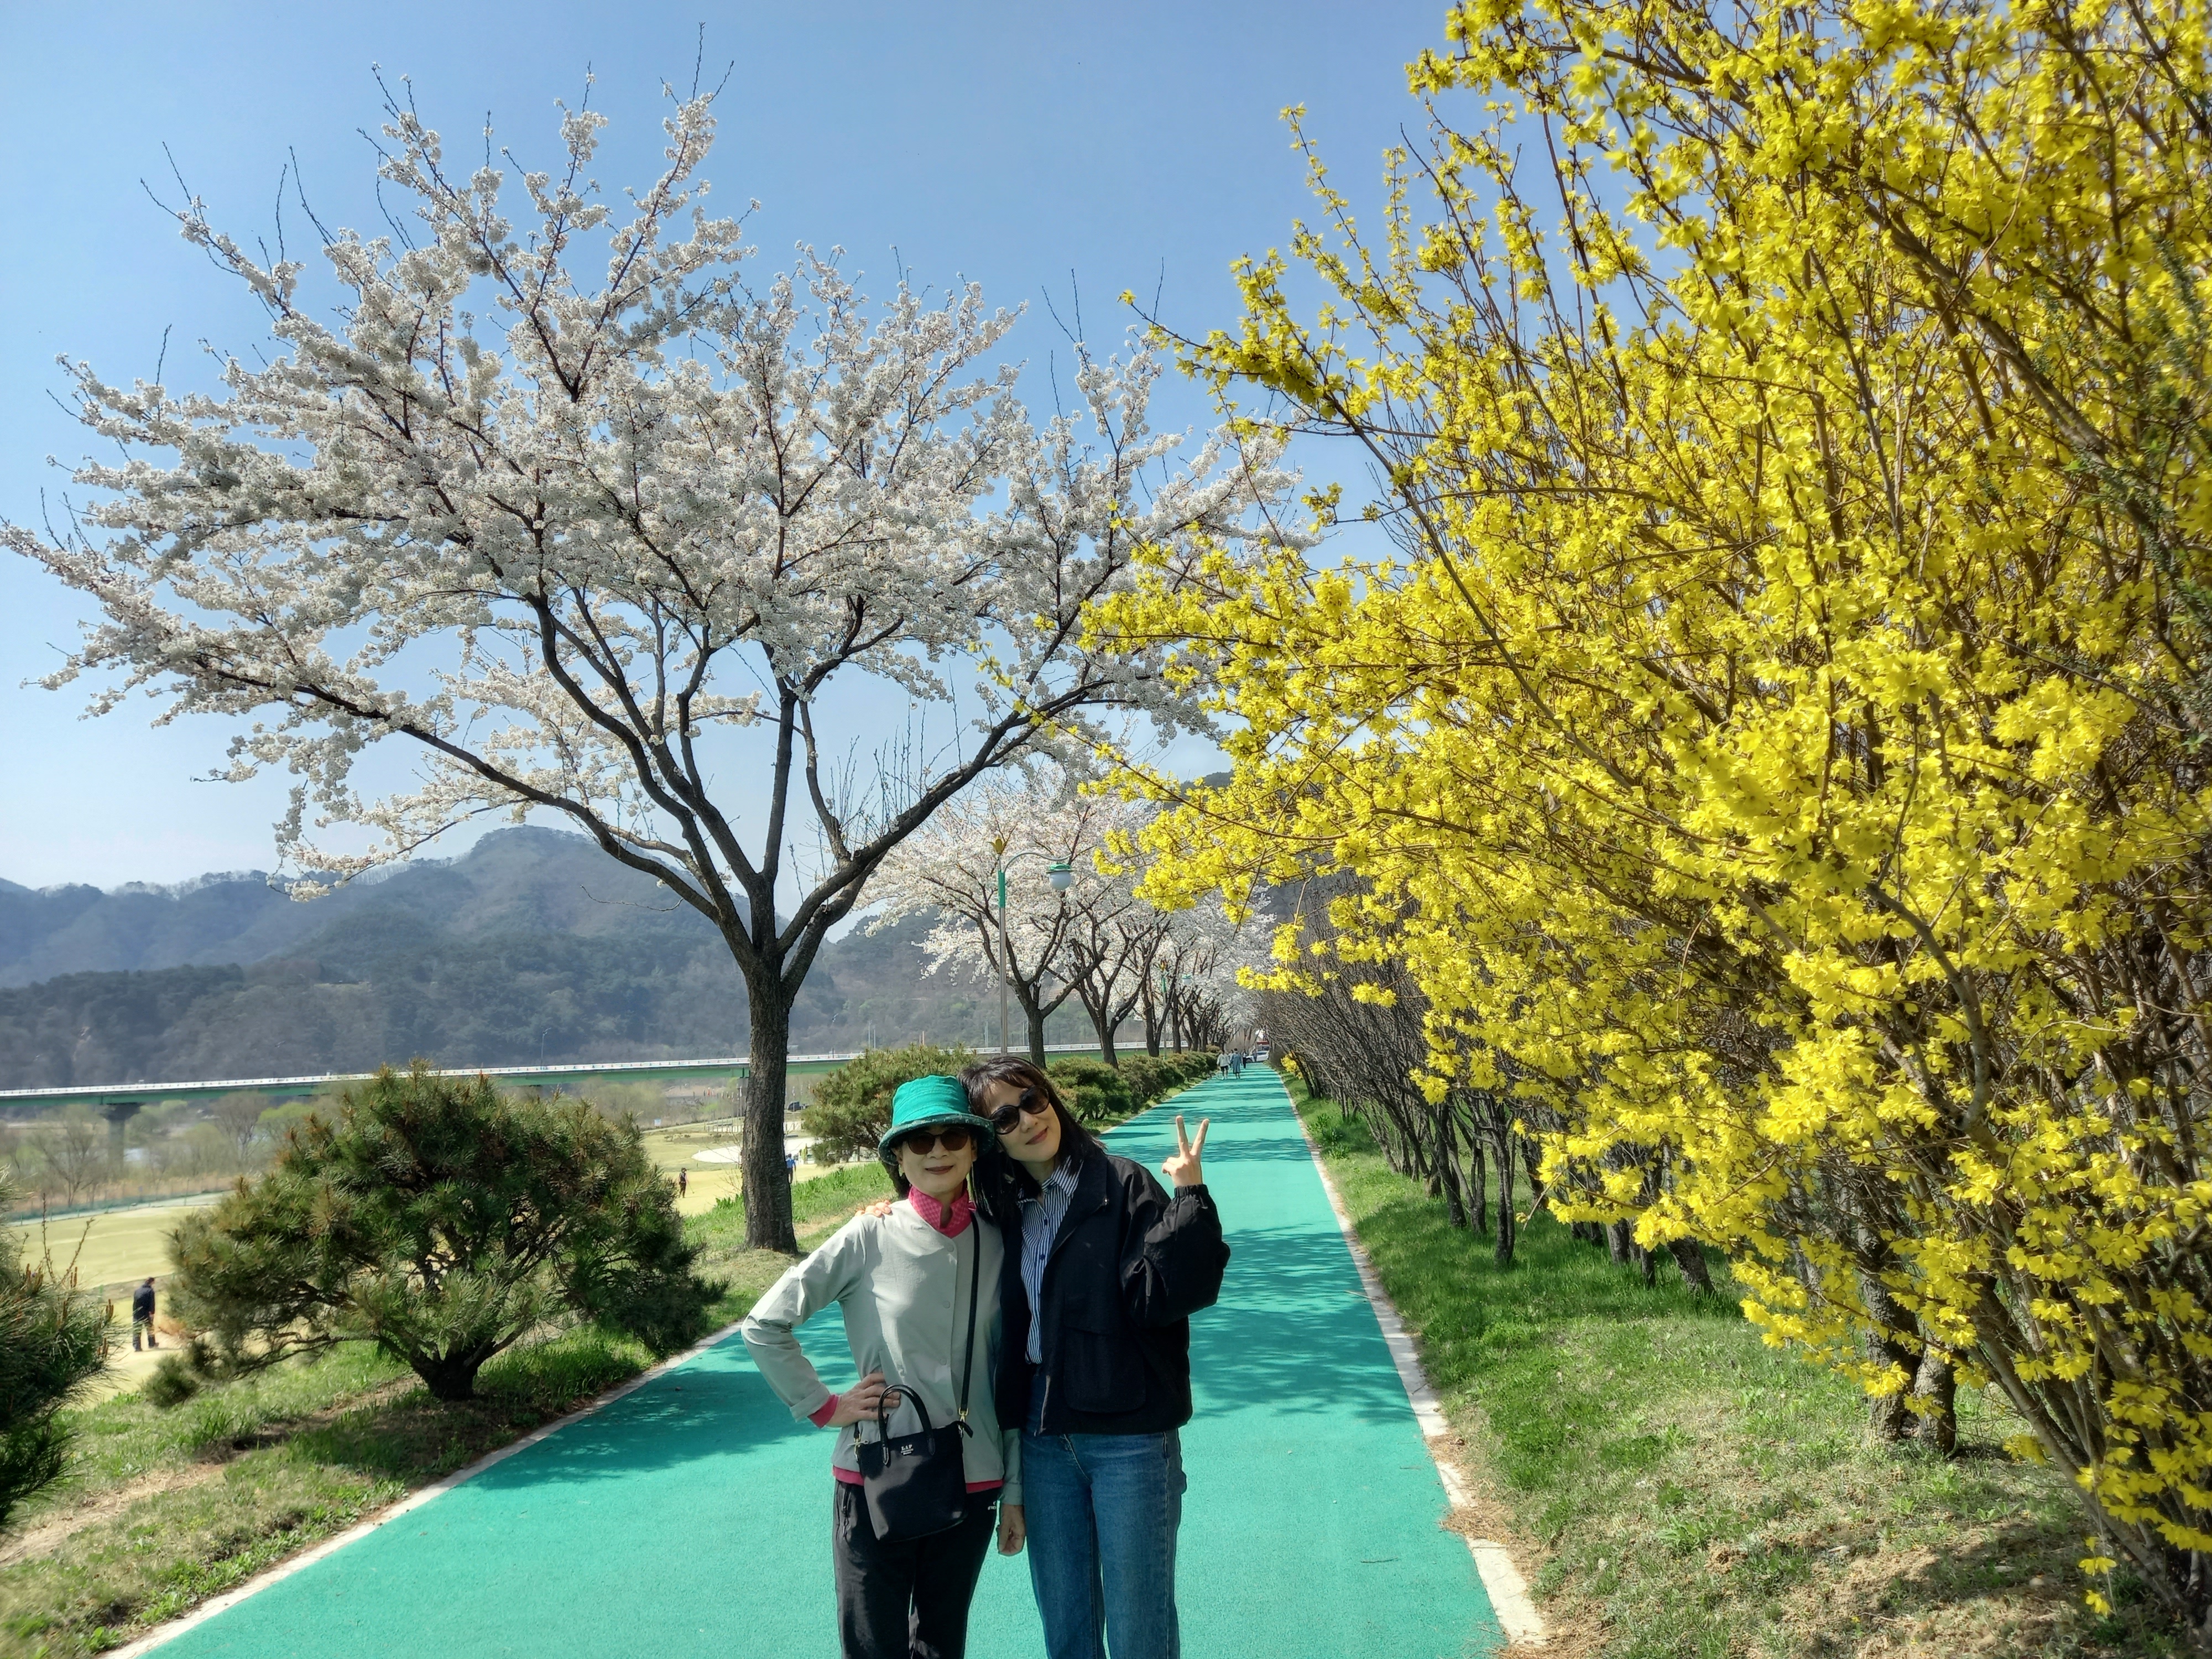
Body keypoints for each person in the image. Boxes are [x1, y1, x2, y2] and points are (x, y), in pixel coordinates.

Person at [742, 1076, 1022, 1659]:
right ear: (898, 1156)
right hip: (876, 1475)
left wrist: (1015, 1488)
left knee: (942, 1646)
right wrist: (825, 1406)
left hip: (973, 1479)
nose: (937, 1151)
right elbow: (764, 1324)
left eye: (952, 1137)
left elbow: (1013, 1373)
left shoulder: (1000, 1241)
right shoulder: (867, 1234)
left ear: (975, 1148)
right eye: (920, 1141)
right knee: (873, 1647)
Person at [964, 1056, 1230, 1659]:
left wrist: (1190, 1199)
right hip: (1043, 1435)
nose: (1028, 1120)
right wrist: (890, 1211)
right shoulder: (1005, 1211)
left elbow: (1165, 1296)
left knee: (1140, 1624)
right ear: (990, 1139)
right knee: (1066, 1621)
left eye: (1032, 1100)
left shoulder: (1122, 1183)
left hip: (1129, 1438)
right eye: (1004, 1118)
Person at [131, 1277, 157, 1351]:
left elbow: (135, 1303)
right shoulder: (150, 1291)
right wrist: (152, 1313)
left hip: (137, 1313)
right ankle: (152, 1344)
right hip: (146, 1313)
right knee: (150, 1328)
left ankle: (137, 1347)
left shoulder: (137, 1291)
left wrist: (134, 1313)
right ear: (152, 1283)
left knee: (137, 1330)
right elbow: (152, 1303)